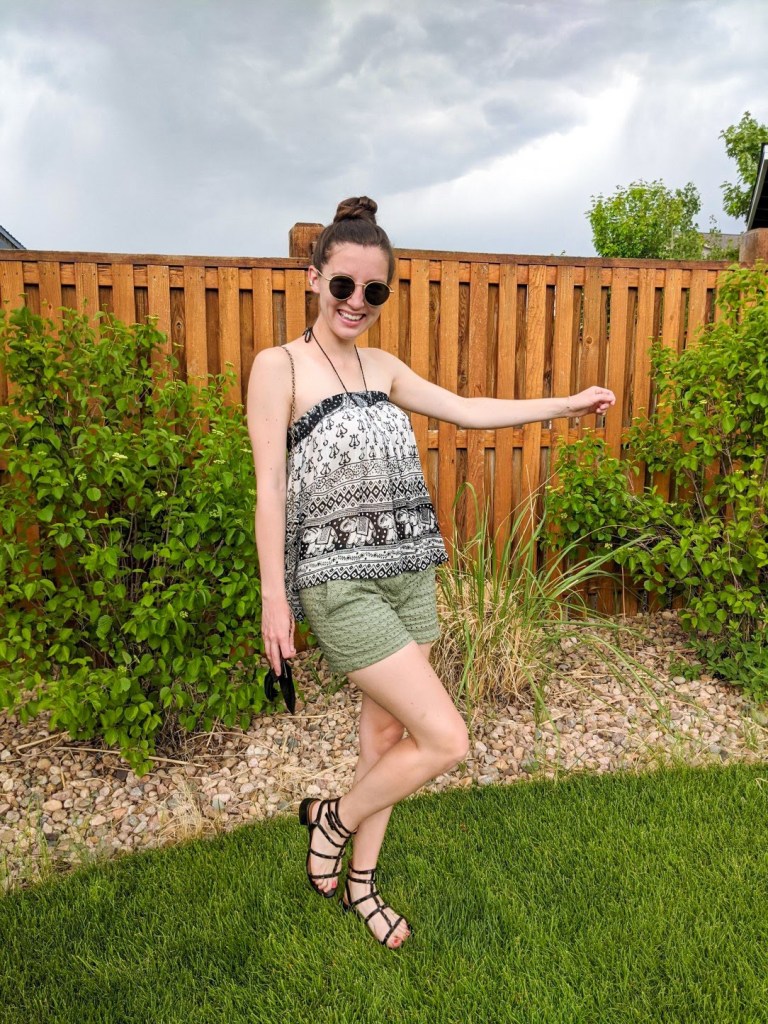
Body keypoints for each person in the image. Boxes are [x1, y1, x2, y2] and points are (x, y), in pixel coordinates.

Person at [247, 196, 615, 950]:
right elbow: (270, 487)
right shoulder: (277, 367)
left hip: (410, 571)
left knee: (386, 736)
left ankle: (361, 885)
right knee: (446, 737)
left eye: (373, 290)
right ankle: (332, 822)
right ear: (314, 278)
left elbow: (469, 409)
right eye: (343, 285)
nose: (357, 302)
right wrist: (273, 600)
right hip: (339, 582)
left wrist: (568, 404)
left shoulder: (382, 367)